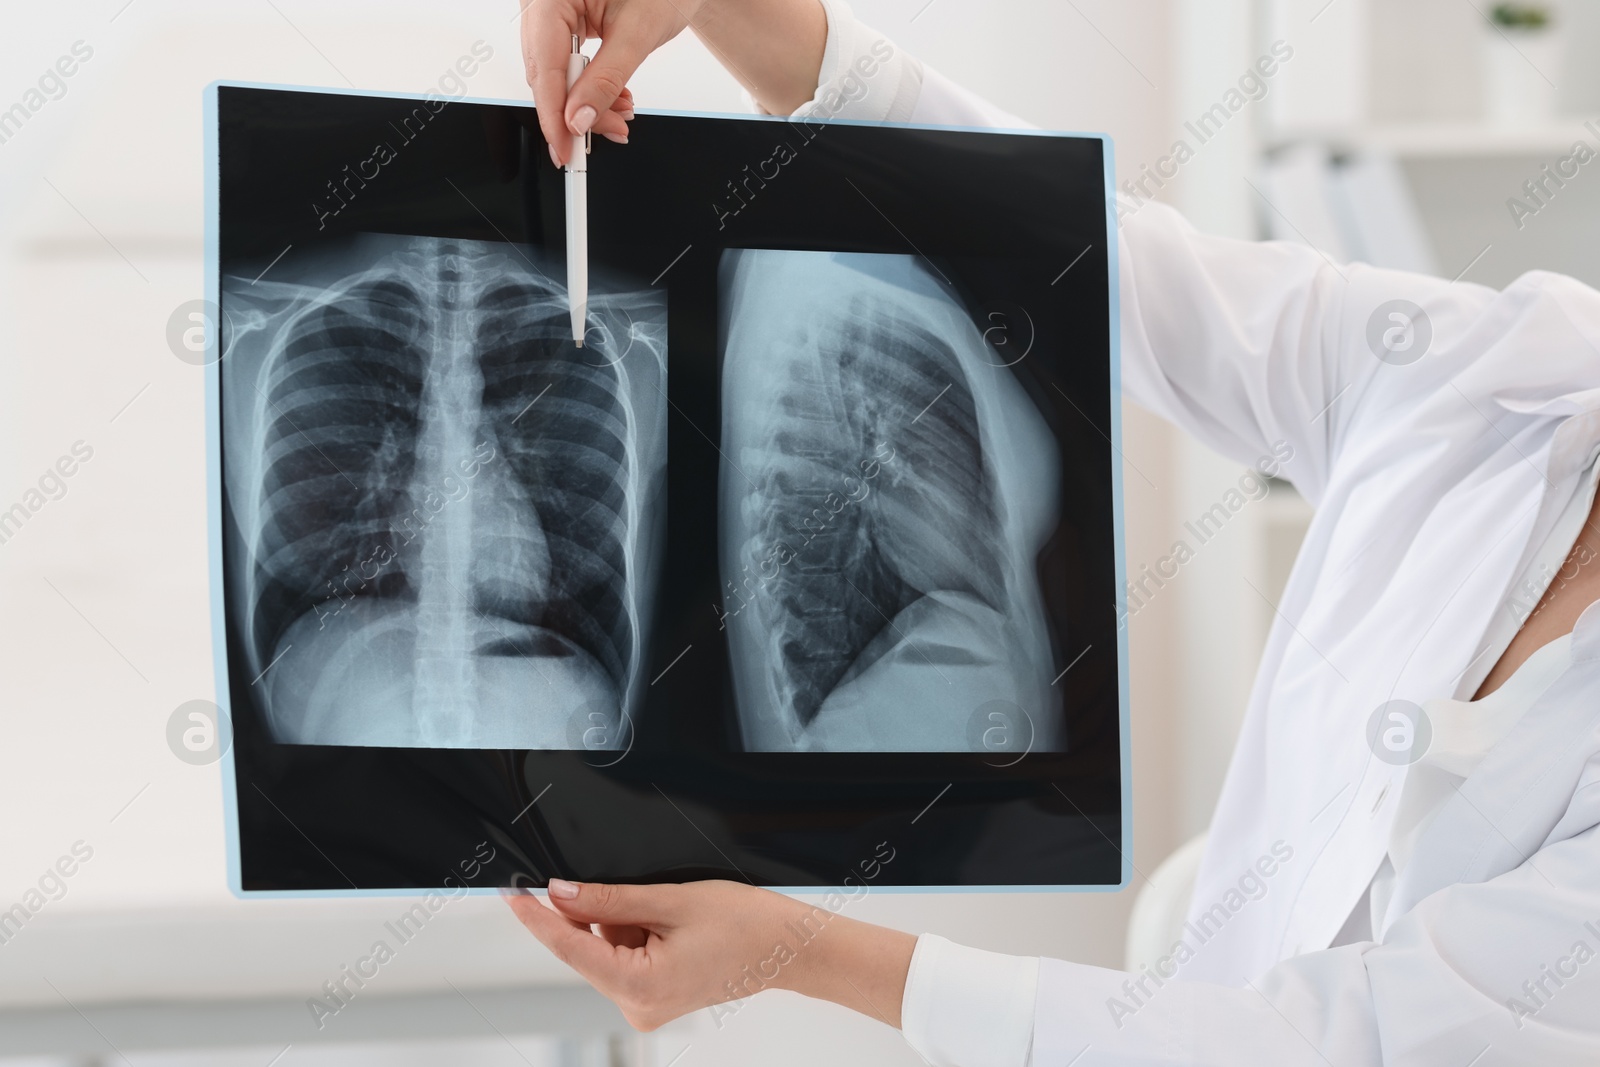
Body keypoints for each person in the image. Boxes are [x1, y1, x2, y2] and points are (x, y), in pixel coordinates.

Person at [502, 1, 1600, 1062]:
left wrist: (802, 948)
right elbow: (1104, 262)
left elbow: (1324, 1045)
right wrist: (744, 13)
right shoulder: (1516, 373)